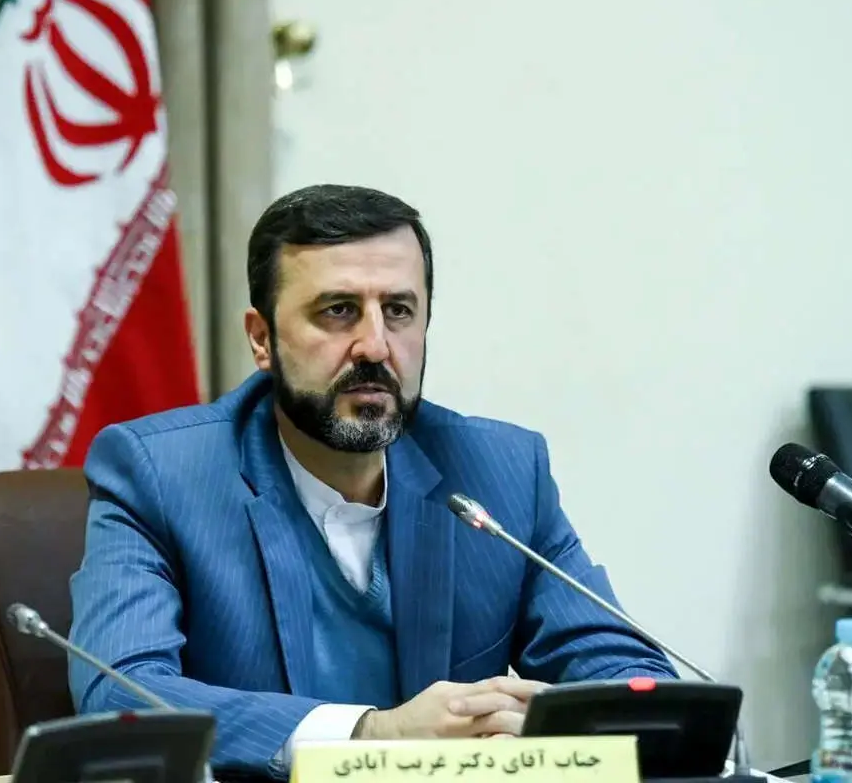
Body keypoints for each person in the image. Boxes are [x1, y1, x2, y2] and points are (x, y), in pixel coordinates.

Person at [67, 184, 677, 780]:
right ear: (262, 338)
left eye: (399, 311)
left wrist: (553, 728)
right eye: (338, 311)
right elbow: (120, 693)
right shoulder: (162, 474)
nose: (375, 346)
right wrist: (372, 735)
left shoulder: (501, 471)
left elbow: (625, 672)